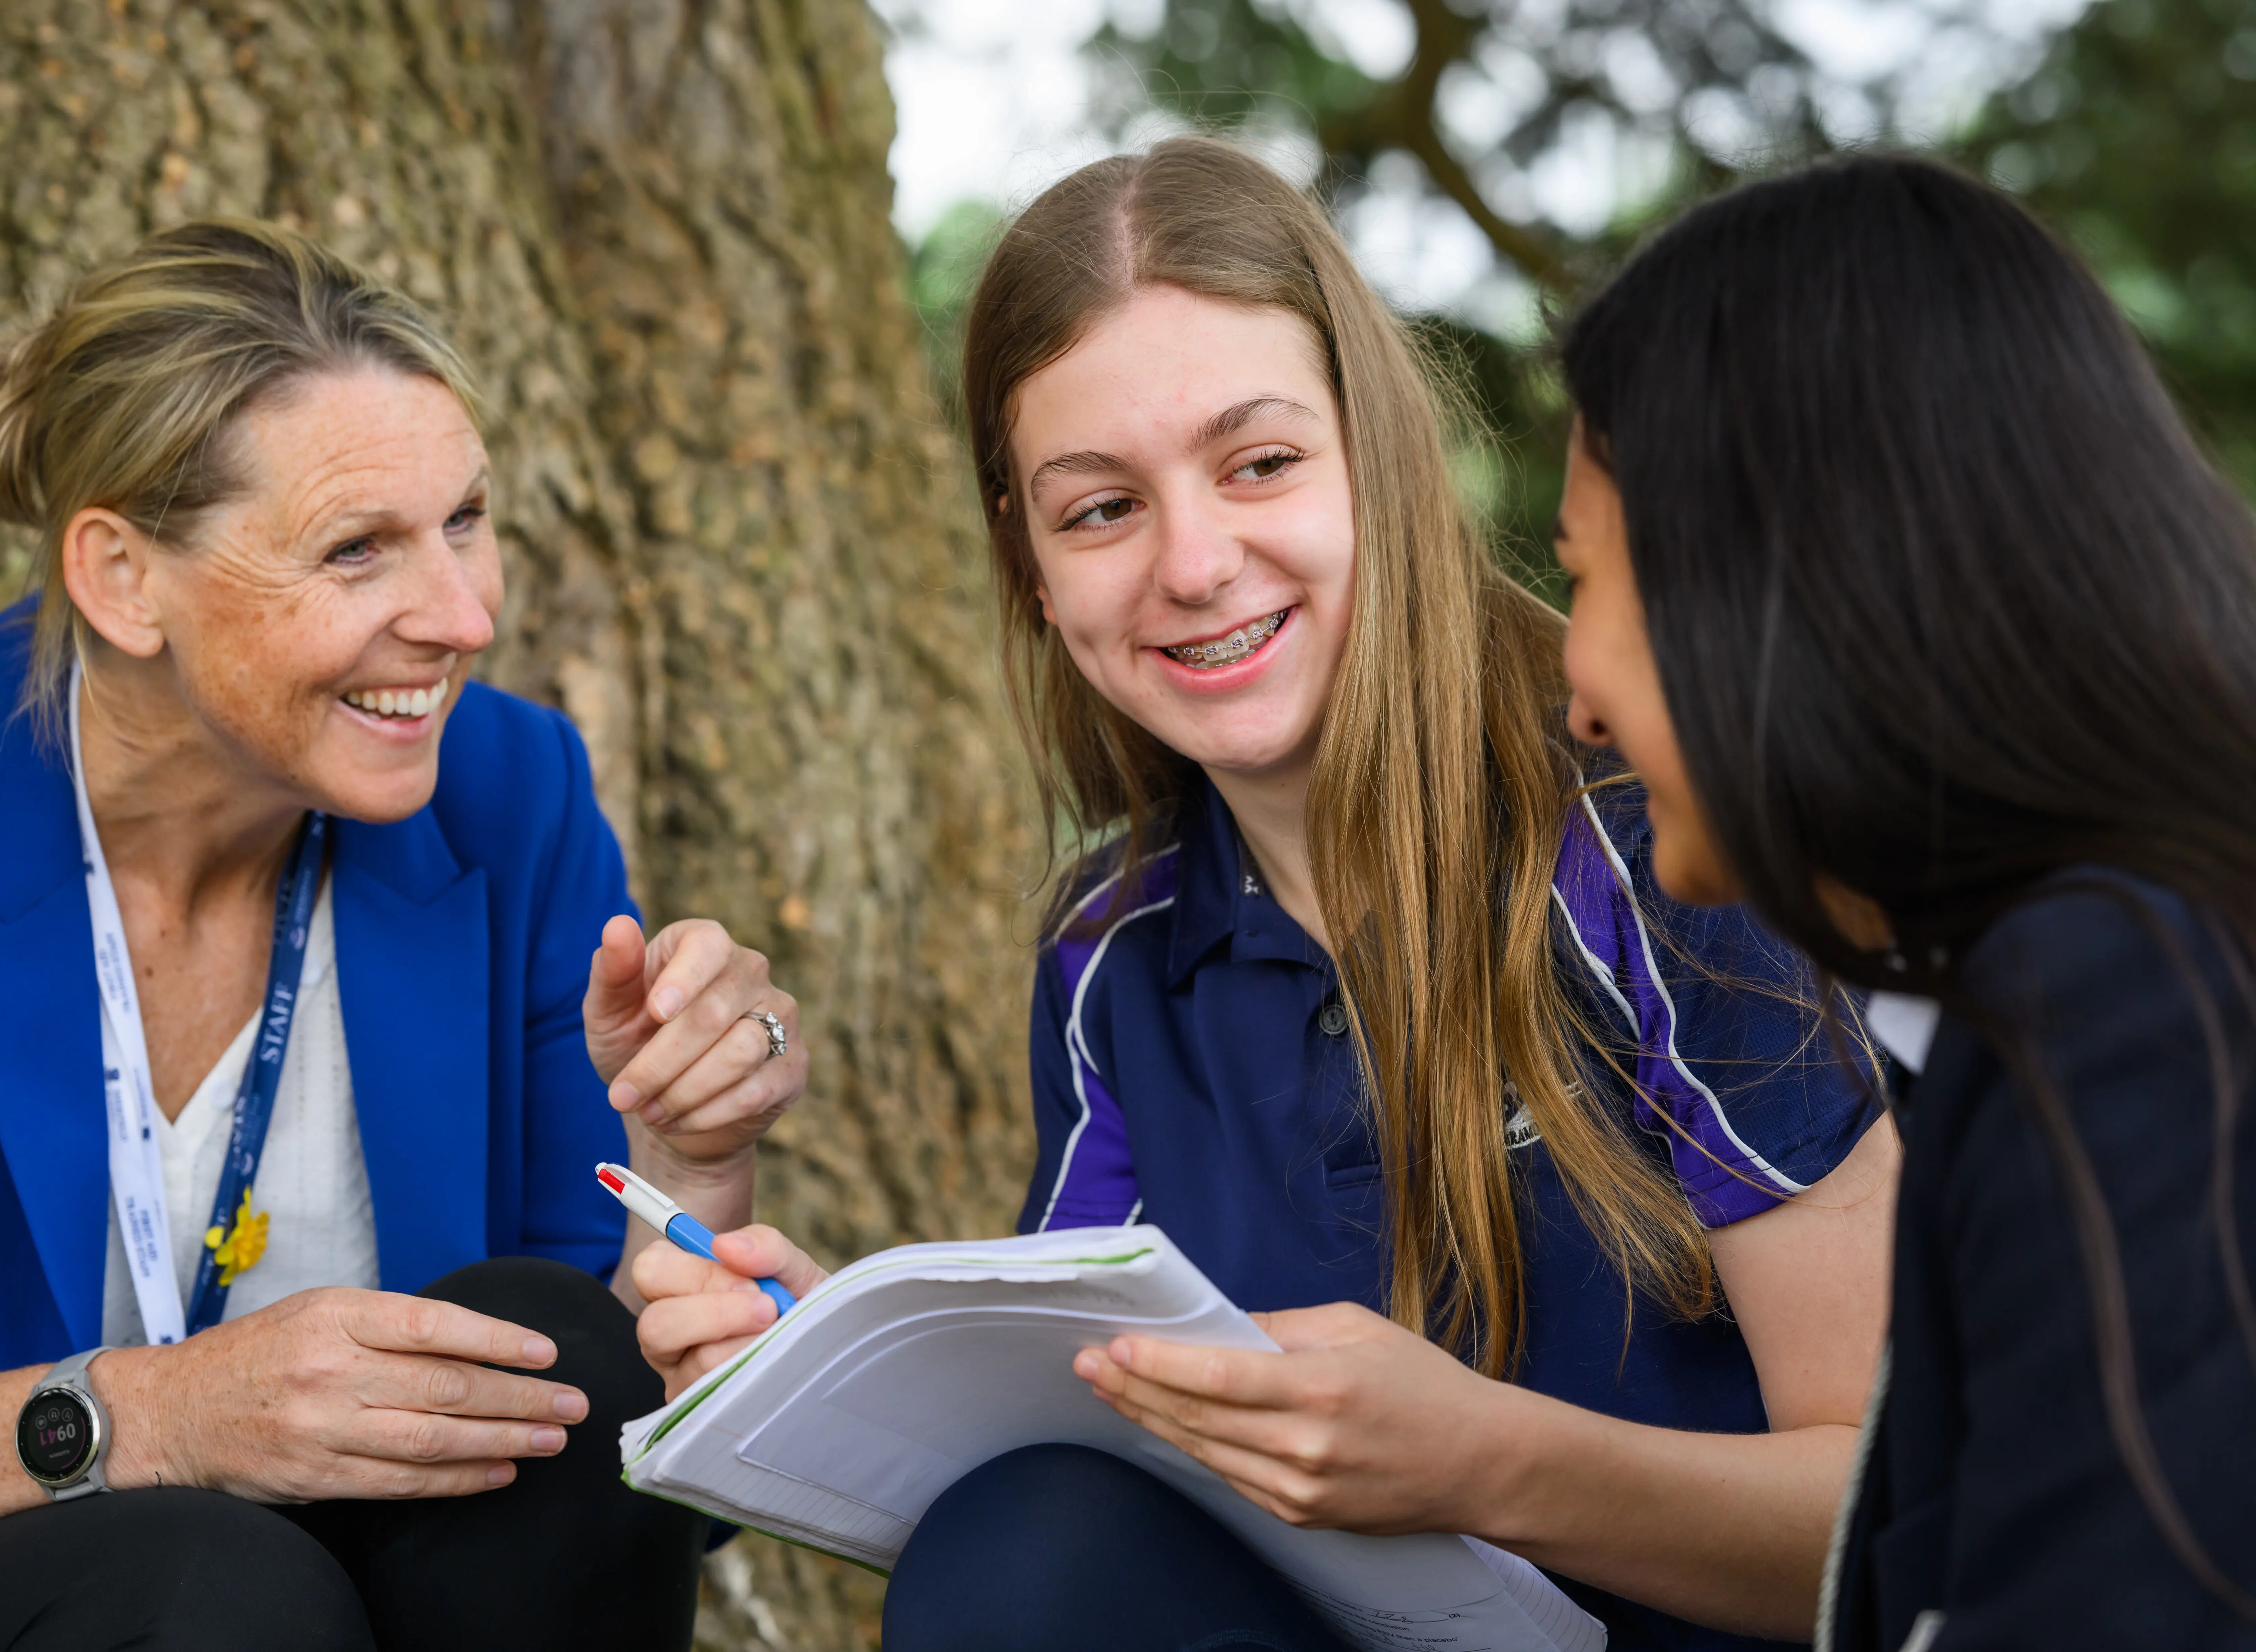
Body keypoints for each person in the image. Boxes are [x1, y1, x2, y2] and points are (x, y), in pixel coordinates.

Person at [634, 136, 1898, 1651]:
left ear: (1379, 456)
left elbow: (1899, 1511)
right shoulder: (1114, 950)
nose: (1194, 562)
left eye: (1260, 464)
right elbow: (1100, 1458)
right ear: (1033, 566)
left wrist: (1489, 1461)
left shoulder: (1661, 848)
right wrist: (854, 1349)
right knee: (1020, 1538)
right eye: (1100, 508)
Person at [0, 220, 807, 1652]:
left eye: (466, 519)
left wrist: (696, 1173)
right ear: (125, 579)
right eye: (357, 548)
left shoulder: (511, 794)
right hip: (3, 1592)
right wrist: (166, 1413)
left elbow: (623, 1470)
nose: (464, 614)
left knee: (557, 1344)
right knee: (215, 1588)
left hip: (380, 1584)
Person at [1552, 154, 2256, 1650]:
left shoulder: (2127, 1001)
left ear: (1770, 586)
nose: (1581, 699)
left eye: (1589, 579)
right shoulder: (2073, 982)